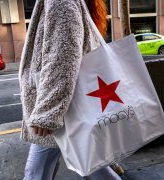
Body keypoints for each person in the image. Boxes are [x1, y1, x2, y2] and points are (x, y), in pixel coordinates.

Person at [19, 0, 122, 179]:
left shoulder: (60, 2)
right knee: (89, 164)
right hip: (71, 106)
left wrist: (48, 113)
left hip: (63, 110)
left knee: (35, 173)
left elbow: (63, 57)